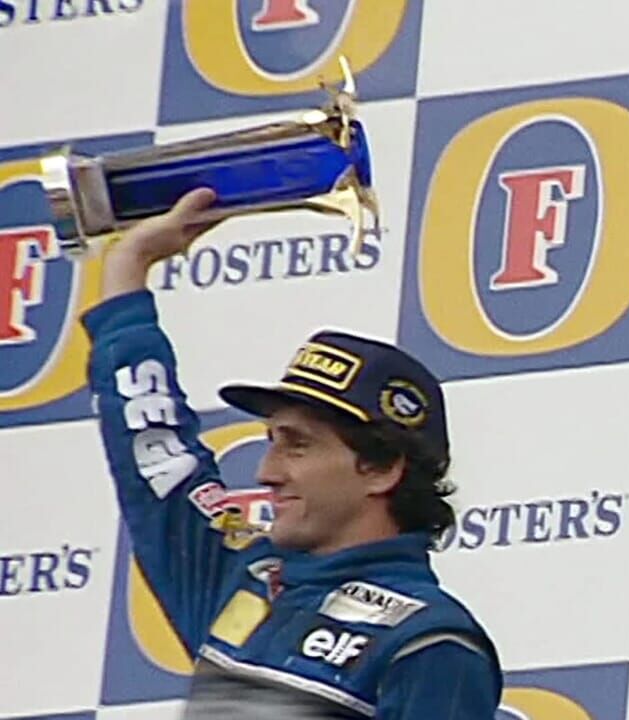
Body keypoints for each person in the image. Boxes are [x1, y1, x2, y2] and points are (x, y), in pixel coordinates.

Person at [82, 188, 502, 718]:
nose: (266, 472)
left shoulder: (428, 645)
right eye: (271, 441)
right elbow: (155, 456)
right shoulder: (247, 579)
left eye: (298, 446)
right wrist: (130, 266)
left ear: (381, 469)